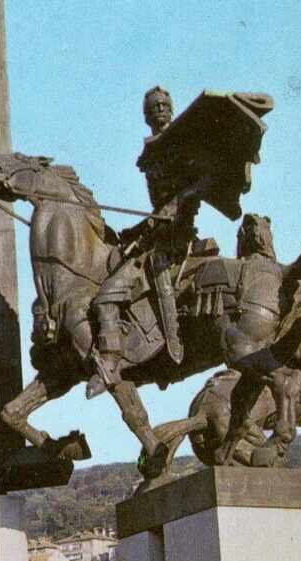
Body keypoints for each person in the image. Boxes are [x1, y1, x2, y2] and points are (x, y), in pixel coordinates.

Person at [87, 86, 199, 397]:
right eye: (154, 106)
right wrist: (141, 226)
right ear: (145, 114)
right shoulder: (152, 148)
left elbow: (195, 187)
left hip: (174, 239)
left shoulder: (181, 144)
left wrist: (167, 212)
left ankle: (109, 363)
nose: (160, 109)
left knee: (106, 296)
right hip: (157, 233)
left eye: (165, 104)